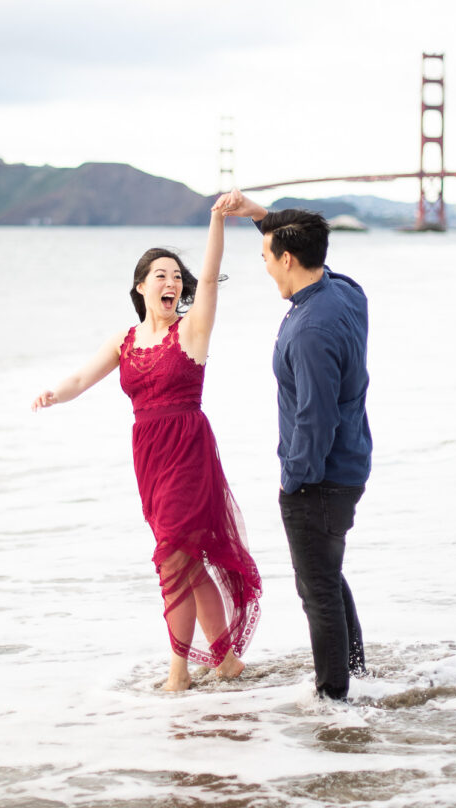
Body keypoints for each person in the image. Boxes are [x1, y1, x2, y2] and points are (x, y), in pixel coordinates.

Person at [31, 208, 261, 692]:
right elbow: (79, 378)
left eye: (178, 276)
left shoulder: (192, 328)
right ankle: (226, 663)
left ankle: (178, 671)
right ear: (141, 287)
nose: (171, 282)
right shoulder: (125, 340)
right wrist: (55, 393)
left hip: (188, 449)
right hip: (149, 458)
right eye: (161, 275)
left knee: (172, 557)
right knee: (186, 558)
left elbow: (212, 280)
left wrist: (218, 222)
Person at [213, 189, 372, 701]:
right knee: (329, 574)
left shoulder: (310, 328)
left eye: (265, 257)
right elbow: (314, 253)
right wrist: (263, 217)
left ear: (287, 258)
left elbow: (316, 418)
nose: (263, 267)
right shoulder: (344, 292)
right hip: (349, 464)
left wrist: (294, 477)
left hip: (321, 479)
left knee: (317, 589)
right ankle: (356, 675)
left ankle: (333, 700)